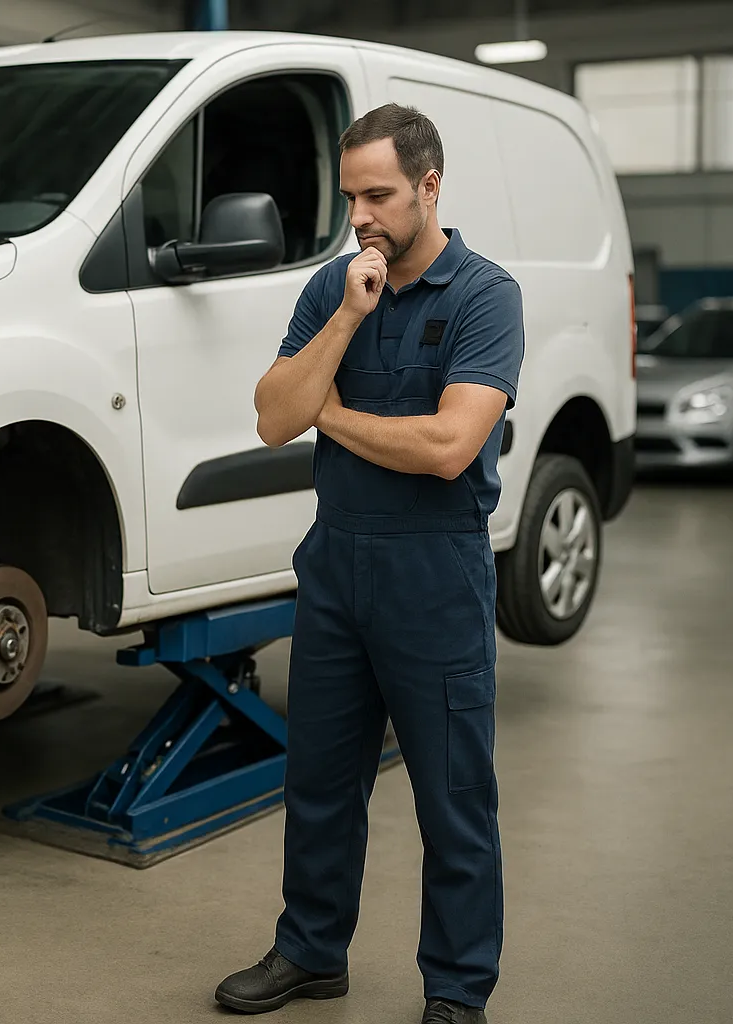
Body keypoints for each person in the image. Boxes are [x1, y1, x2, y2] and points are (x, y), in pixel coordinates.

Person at [214, 104, 524, 1024]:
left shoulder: (484, 295)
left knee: (453, 797)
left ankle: (458, 992)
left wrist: (333, 418)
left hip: (437, 577)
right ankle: (312, 953)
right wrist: (347, 319)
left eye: (380, 194)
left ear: (430, 186)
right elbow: (274, 416)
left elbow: (447, 447)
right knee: (317, 781)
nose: (363, 215)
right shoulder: (333, 287)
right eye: (352, 196)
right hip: (338, 570)